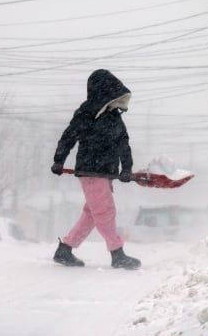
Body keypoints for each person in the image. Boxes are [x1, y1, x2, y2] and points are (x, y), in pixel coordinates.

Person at [50, 69, 141, 270]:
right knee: (106, 211)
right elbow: (69, 136)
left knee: (92, 214)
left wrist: (127, 168)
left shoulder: (114, 117)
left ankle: (65, 250)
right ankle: (117, 254)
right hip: (91, 171)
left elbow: (123, 144)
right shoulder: (87, 113)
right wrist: (59, 160)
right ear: (103, 93)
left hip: (105, 173)